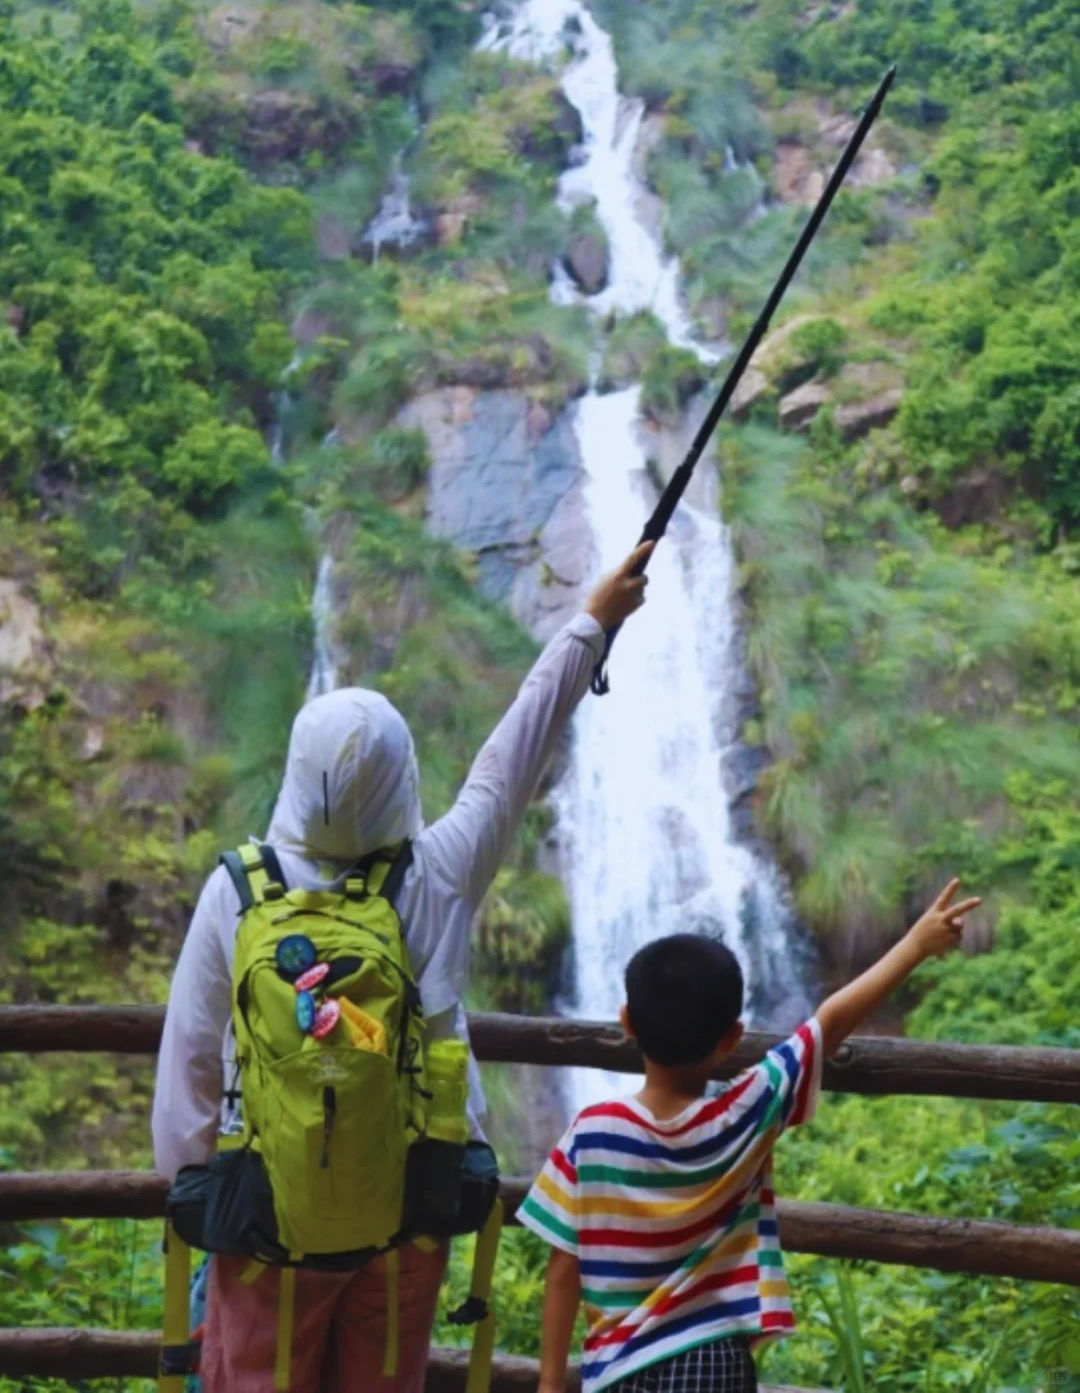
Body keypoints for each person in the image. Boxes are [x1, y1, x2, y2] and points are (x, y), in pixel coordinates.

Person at [151, 540, 654, 1393]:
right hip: (407, 1219)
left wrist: (207, 1191)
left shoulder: (237, 891)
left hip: (267, 1221)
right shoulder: (439, 872)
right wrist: (592, 624)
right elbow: (514, 751)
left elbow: (191, 1066)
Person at [521, 879, 981, 1393]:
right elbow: (828, 1023)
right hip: (715, 1360)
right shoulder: (748, 1110)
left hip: (618, 1370)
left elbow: (563, 1268)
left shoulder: (592, 1132)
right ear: (732, 1039)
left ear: (627, 1022)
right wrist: (915, 945)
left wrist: (547, 1385)